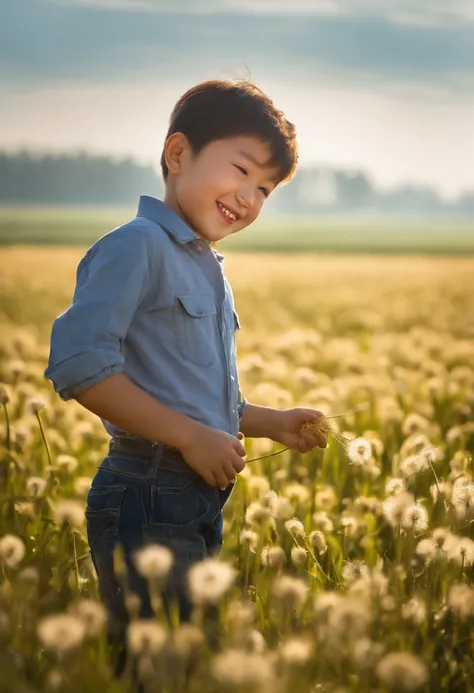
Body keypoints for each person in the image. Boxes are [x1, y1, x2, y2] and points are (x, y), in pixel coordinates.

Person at [44, 78, 327, 675]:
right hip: (145, 487)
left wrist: (270, 422)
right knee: (157, 666)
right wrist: (188, 437)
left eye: (265, 189)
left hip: (193, 497)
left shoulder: (208, 269)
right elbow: (82, 367)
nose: (249, 197)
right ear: (178, 155)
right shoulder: (137, 246)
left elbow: (197, 396)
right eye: (242, 170)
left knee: (187, 660)